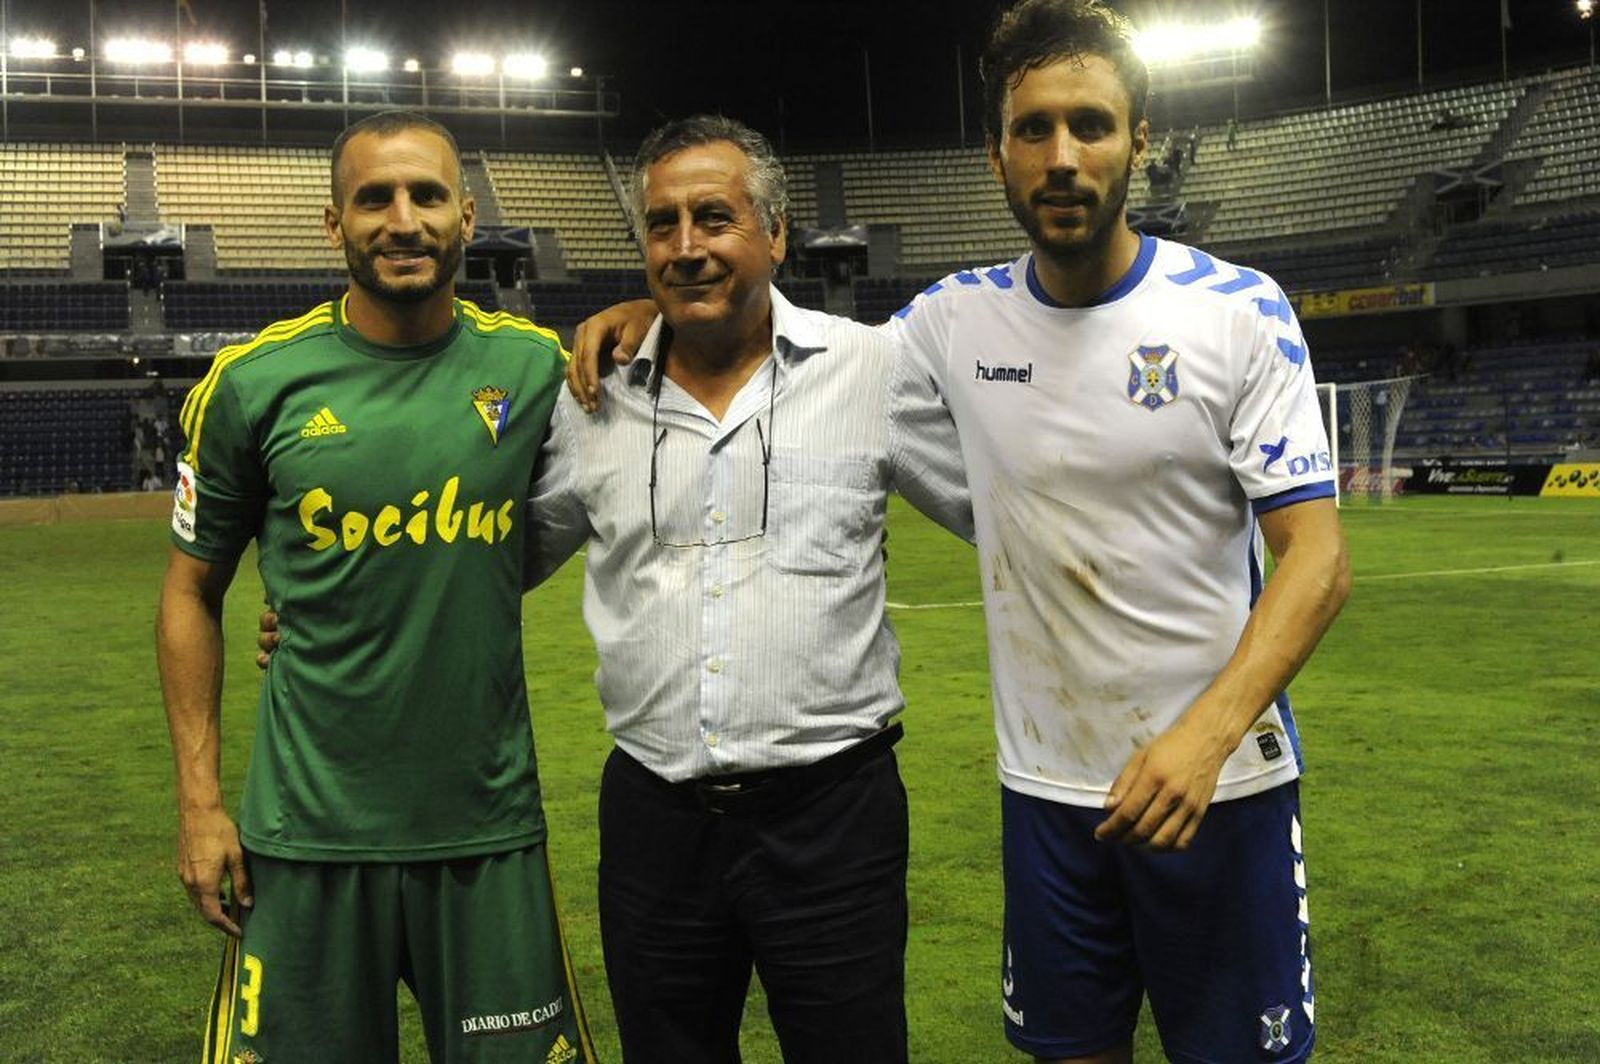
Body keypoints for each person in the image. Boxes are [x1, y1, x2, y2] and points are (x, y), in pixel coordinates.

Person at [568, 3, 1349, 1061]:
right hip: (1045, 791)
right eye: (1033, 130)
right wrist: (647, 313)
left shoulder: (1236, 309)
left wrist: (1204, 737)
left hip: (1223, 781)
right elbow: (784, 353)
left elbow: (1317, 560)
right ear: (997, 156)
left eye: (1091, 125)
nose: (1062, 156)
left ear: (1139, 141)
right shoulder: (945, 323)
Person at [527, 115, 971, 1063]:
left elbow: (1004, 512)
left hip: (832, 820)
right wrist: (337, 603)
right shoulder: (591, 397)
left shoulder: (873, 370)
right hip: (655, 819)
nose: (686, 247)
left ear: (774, 234)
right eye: (662, 224)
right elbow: (498, 560)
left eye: (714, 219)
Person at [156, 110, 594, 1064]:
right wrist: (200, 806)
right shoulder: (252, 383)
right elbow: (190, 592)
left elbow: (654, 393)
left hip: (485, 831)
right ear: (333, 224)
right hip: (305, 837)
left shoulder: (532, 369)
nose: (404, 220)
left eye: (427, 195)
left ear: (467, 216)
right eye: (374, 199)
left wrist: (633, 314)